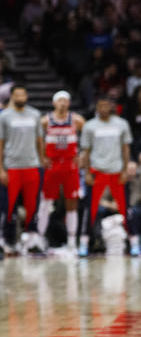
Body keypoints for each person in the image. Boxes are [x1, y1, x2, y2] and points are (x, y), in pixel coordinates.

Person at [79, 96, 132, 257]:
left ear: (111, 106)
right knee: (90, 210)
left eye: (106, 105)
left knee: (124, 208)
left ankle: (132, 242)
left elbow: (126, 149)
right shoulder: (89, 126)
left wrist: (124, 170)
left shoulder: (122, 124)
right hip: (97, 171)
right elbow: (86, 152)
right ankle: (84, 244)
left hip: (116, 170)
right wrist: (87, 173)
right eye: (100, 105)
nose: (103, 108)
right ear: (96, 107)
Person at [37, 91, 85, 254]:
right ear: (54, 103)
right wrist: (41, 156)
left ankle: (72, 241)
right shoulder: (45, 121)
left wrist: (82, 154)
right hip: (53, 165)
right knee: (46, 201)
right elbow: (37, 139)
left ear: (69, 103)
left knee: (72, 201)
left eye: (66, 101)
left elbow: (89, 137)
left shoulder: (77, 120)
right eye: (60, 101)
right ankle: (40, 237)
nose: (63, 103)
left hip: (70, 165)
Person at [0, 86, 45, 253]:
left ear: (26, 96)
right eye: (16, 94)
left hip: (32, 165)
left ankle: (32, 239)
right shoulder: (4, 116)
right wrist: (1, 169)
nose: (20, 97)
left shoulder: (35, 114)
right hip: (11, 166)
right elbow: (1, 143)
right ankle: (7, 240)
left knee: (32, 205)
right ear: (12, 97)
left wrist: (41, 160)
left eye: (23, 94)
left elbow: (39, 140)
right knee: (8, 206)